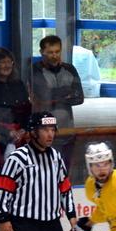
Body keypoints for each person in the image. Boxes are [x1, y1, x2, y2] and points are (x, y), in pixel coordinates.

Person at [29, 35, 84, 168]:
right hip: (43, 131)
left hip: (67, 130)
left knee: (65, 169)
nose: (55, 56)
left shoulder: (70, 69)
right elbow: (44, 96)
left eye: (57, 52)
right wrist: (65, 92)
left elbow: (79, 97)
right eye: (50, 52)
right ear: (42, 52)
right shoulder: (35, 70)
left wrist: (54, 95)